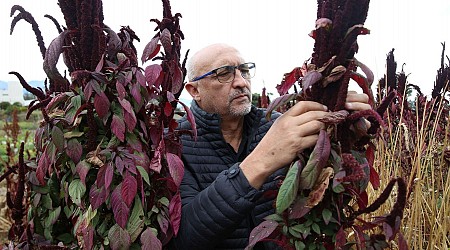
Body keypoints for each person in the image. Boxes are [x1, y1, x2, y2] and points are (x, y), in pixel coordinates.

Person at [170, 43, 371, 250]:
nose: (241, 82)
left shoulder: (281, 126)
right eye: (224, 74)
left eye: (245, 70)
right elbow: (185, 238)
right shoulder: (175, 144)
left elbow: (332, 201)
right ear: (194, 90)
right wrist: (263, 160)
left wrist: (347, 144)